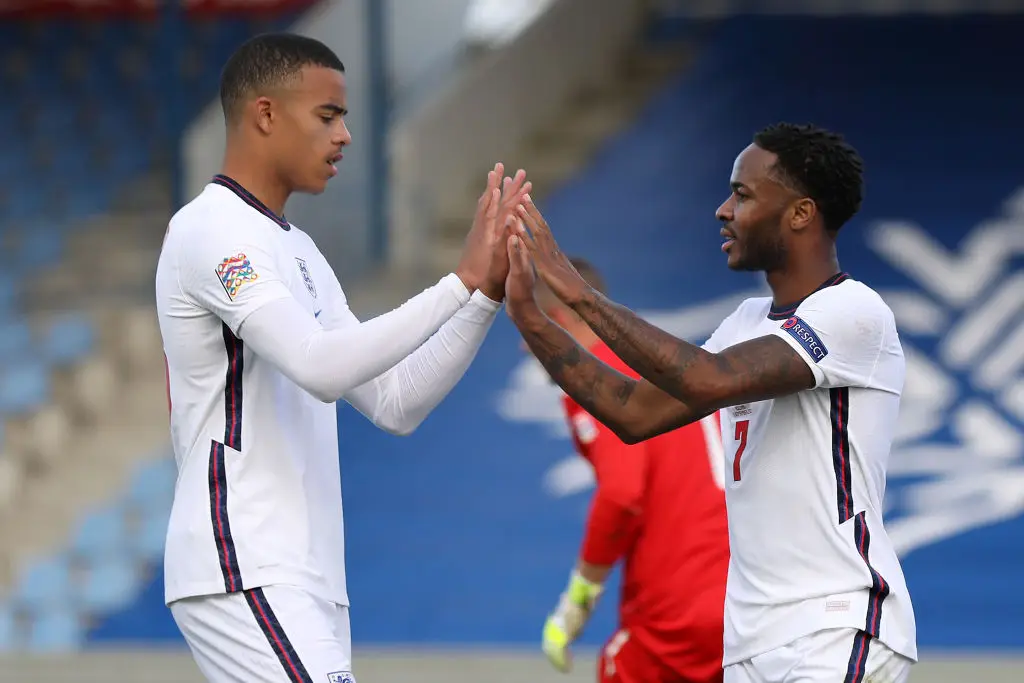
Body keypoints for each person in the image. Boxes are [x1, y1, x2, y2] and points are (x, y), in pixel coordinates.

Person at [155, 33, 528, 683]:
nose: (346, 136)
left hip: (305, 575)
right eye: (328, 116)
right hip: (244, 557)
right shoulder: (211, 229)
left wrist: (483, 295)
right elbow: (321, 367)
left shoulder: (297, 249)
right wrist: (456, 283)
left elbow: (396, 401)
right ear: (265, 114)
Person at [503, 123, 917, 683]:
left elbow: (709, 380)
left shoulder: (854, 313)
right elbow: (634, 413)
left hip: (834, 626)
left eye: (743, 194)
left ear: (800, 213)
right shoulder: (746, 321)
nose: (723, 210)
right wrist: (532, 319)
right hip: (749, 640)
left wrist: (575, 291)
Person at [534, 258, 730, 683]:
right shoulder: (662, 356)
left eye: (530, 330)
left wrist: (577, 600)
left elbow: (622, 493)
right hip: (746, 597)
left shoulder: (599, 380)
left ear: (559, 320)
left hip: (679, 606)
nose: (525, 348)